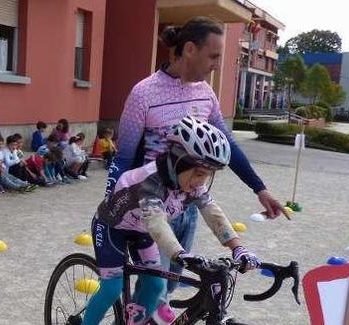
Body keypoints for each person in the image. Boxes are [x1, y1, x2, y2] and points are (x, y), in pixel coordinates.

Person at [71, 117, 261, 325]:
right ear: (177, 159)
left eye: (208, 174)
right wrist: (181, 255)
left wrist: (237, 246)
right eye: (198, 173)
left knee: (157, 286)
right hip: (112, 228)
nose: (201, 180)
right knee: (109, 288)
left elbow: (212, 211)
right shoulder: (149, 181)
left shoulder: (190, 182)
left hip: (141, 230)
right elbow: (158, 224)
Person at [109, 17, 285, 298]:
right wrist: (113, 210)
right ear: (190, 49)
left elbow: (228, 144)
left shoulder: (205, 94)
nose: (217, 64)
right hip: (151, 206)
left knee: (170, 287)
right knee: (155, 296)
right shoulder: (143, 93)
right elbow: (123, 158)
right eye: (213, 56)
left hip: (188, 207)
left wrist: (259, 189)